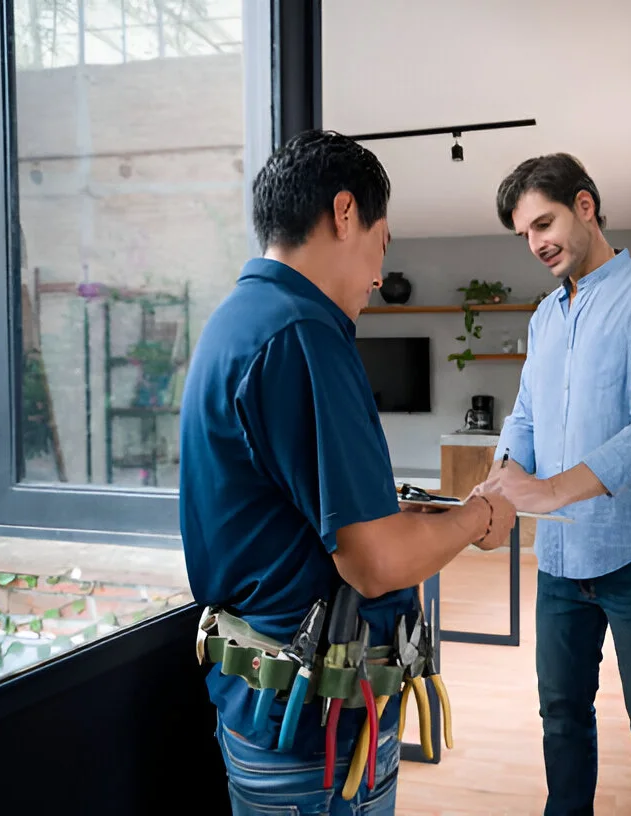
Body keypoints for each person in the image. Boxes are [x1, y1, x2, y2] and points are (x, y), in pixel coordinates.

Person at [178, 129, 517, 815]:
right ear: (342, 213)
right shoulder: (303, 334)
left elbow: (296, 522)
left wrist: (415, 520)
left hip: (269, 715)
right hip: (318, 740)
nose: (378, 276)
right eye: (381, 244)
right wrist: (479, 517)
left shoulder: (239, 320)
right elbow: (375, 562)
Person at [474, 153, 631, 814]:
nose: (537, 243)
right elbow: (527, 415)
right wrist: (501, 475)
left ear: (585, 206)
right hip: (561, 562)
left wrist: (548, 492)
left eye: (544, 222)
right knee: (561, 718)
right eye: (524, 234)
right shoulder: (545, 316)